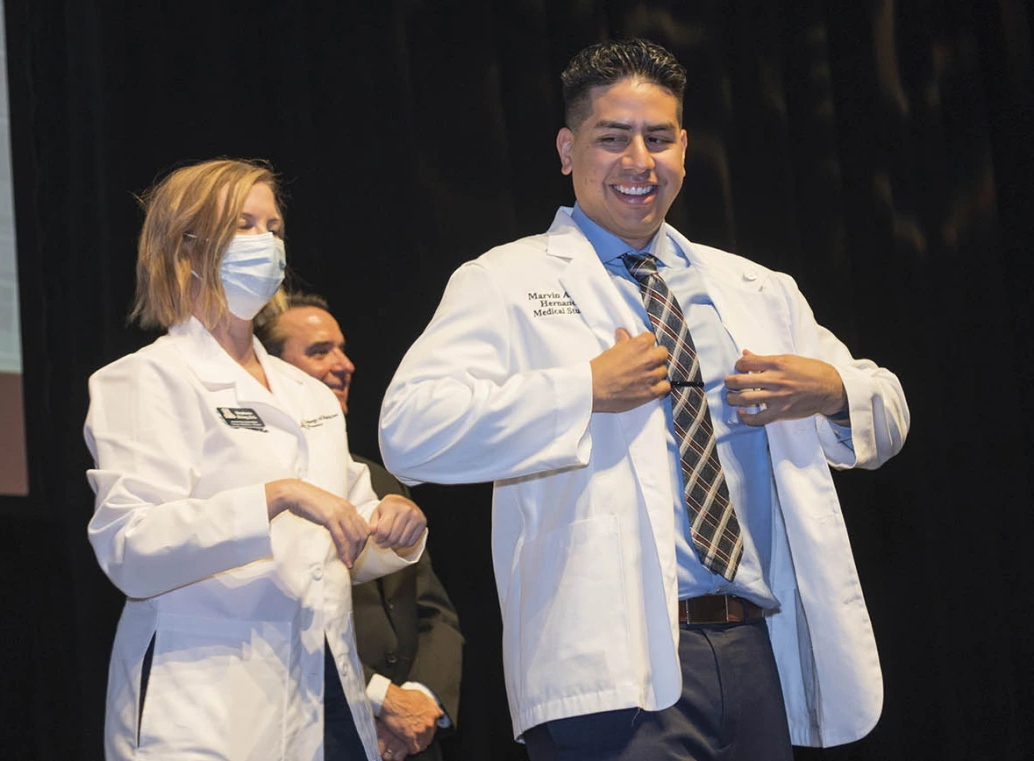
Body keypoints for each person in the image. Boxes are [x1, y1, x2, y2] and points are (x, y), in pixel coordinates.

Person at [378, 40, 909, 761]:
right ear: (568, 150)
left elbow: (887, 406)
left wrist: (830, 389)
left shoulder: (754, 288)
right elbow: (409, 431)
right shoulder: (502, 280)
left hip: (754, 647)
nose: (639, 160)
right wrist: (584, 390)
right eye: (612, 138)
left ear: (685, 150)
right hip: (608, 662)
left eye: (659, 138)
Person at [84, 158, 428, 761]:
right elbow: (130, 548)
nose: (266, 244)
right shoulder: (142, 380)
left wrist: (394, 526)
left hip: (325, 697)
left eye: (273, 228)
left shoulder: (308, 395)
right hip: (204, 709)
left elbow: (347, 536)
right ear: (185, 249)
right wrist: (277, 495)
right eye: (244, 226)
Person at [260, 293, 464, 761]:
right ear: (270, 372)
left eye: (342, 348)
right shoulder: (261, 489)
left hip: (409, 740)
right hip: (315, 725)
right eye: (319, 351)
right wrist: (377, 698)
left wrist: (421, 700)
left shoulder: (379, 480)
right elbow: (273, 615)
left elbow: (435, 614)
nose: (344, 365)